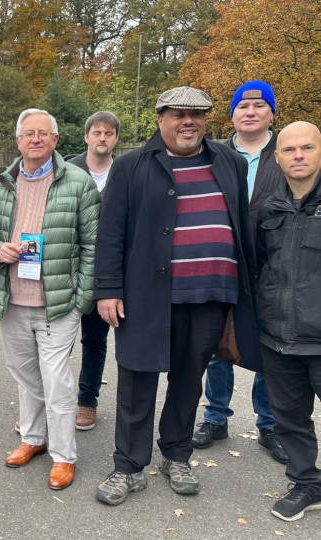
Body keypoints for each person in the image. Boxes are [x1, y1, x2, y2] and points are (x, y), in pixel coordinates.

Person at [93, 87, 260, 506]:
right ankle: (129, 467)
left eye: (198, 114)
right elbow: (110, 233)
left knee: (188, 381)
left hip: (211, 294)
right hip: (147, 295)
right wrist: (108, 289)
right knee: (136, 379)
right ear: (159, 119)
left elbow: (240, 221)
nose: (189, 122)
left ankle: (176, 455)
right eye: (178, 114)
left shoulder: (230, 161)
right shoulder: (132, 166)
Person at [0, 108, 100, 490]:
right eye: (28, 133)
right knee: (25, 375)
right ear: (18, 141)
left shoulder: (79, 183)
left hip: (58, 303)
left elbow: (94, 244)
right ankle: (33, 438)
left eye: (44, 133)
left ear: (56, 140)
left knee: (57, 380)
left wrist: (82, 298)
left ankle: (63, 456)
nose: (36, 139)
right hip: (12, 299)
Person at [193, 81, 286, 463]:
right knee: (218, 343)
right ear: (232, 114)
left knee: (271, 348)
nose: (250, 111)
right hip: (222, 263)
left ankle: (270, 423)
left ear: (271, 113)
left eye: (259, 105)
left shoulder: (287, 153)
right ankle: (216, 417)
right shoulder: (211, 153)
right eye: (243, 106)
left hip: (273, 266)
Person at [256, 121, 321, 522]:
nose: (299, 155)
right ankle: (307, 484)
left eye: (307, 148)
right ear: (277, 157)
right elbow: (259, 265)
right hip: (278, 338)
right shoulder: (267, 207)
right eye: (290, 150)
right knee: (291, 420)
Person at [68, 110, 121, 430]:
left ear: (115, 139)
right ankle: (46, 404)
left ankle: (87, 402)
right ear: (86, 136)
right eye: (97, 132)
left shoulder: (125, 171)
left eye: (109, 133)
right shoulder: (68, 170)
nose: (102, 138)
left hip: (108, 273)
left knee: (95, 341)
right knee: (54, 343)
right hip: (68, 271)